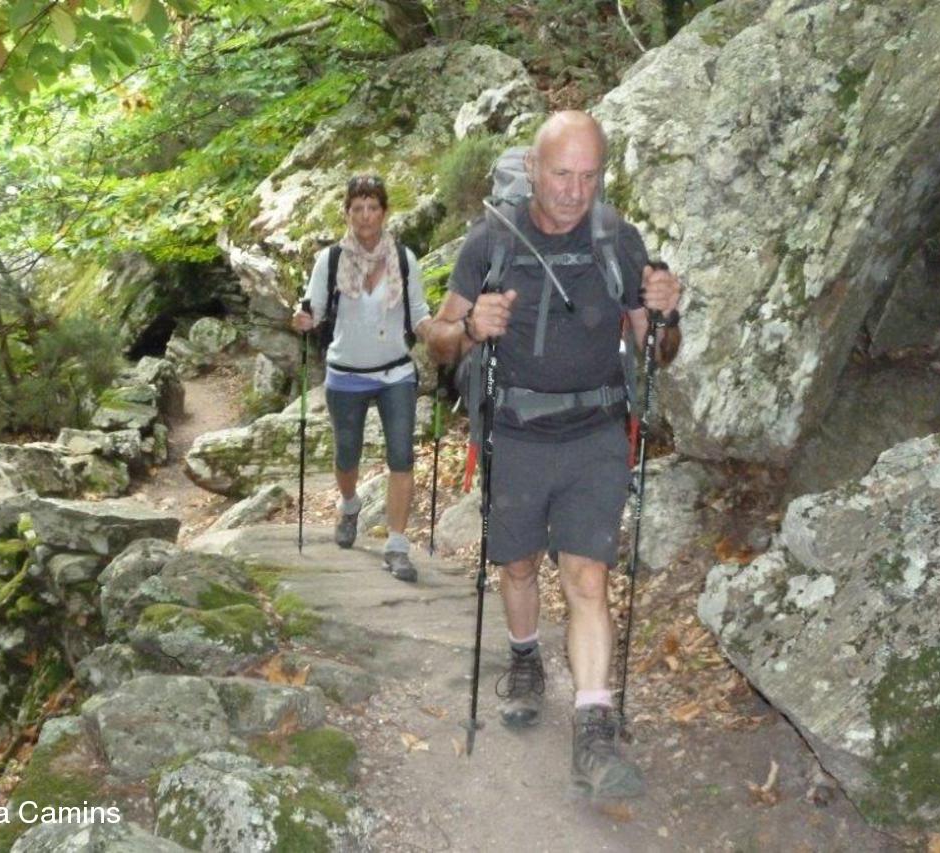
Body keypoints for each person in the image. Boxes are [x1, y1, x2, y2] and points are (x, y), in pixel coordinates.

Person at [425, 111, 682, 798]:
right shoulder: (491, 241)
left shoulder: (617, 240)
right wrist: (470, 327)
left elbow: (657, 350)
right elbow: (437, 340)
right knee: (517, 565)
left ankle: (594, 732)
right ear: (534, 169)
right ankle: (525, 656)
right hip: (514, 433)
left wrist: (666, 314)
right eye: (562, 173)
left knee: (587, 577)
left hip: (595, 432)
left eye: (589, 176)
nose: (574, 190)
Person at [292, 174, 432, 583]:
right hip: (346, 373)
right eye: (358, 208)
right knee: (346, 455)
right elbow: (315, 310)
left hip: (395, 372)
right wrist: (303, 319)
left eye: (373, 207)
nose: (366, 216)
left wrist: (439, 333)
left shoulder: (403, 259)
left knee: (402, 455)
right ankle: (350, 505)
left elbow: (419, 313)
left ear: (385, 212)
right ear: (347, 214)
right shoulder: (330, 260)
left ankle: (397, 546)